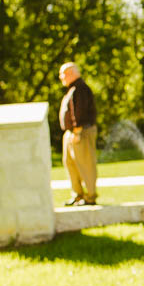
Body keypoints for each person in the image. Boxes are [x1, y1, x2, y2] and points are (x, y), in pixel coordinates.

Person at [57, 61, 97, 206]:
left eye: (63, 74)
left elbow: (80, 111)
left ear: (72, 73)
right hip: (71, 133)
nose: (61, 77)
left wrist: (77, 131)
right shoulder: (72, 89)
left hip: (80, 132)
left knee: (85, 163)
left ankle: (90, 196)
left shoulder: (80, 88)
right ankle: (78, 195)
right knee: (70, 164)